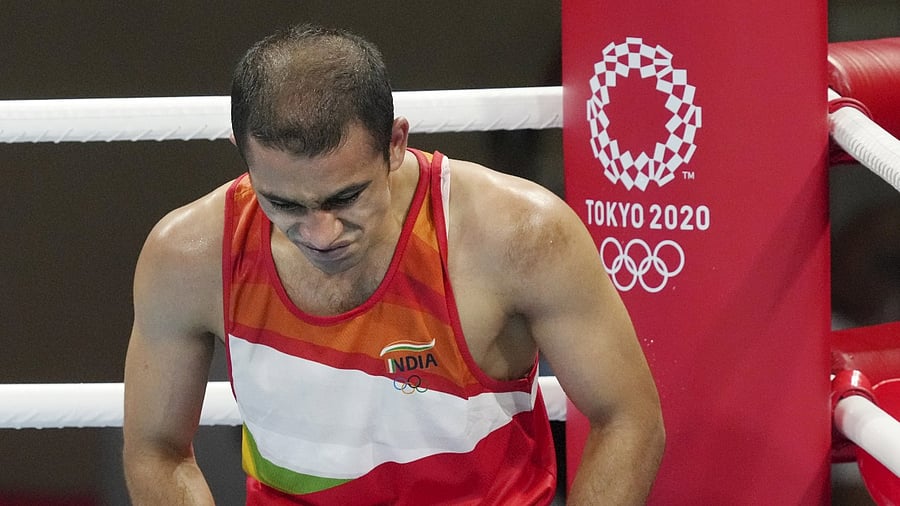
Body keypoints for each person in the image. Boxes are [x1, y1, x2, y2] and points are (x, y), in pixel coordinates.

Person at [122, 23, 664, 505]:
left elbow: (629, 420)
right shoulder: (189, 255)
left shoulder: (516, 235)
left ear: (396, 143)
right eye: (284, 204)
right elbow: (156, 452)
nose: (319, 232)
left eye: (345, 197)